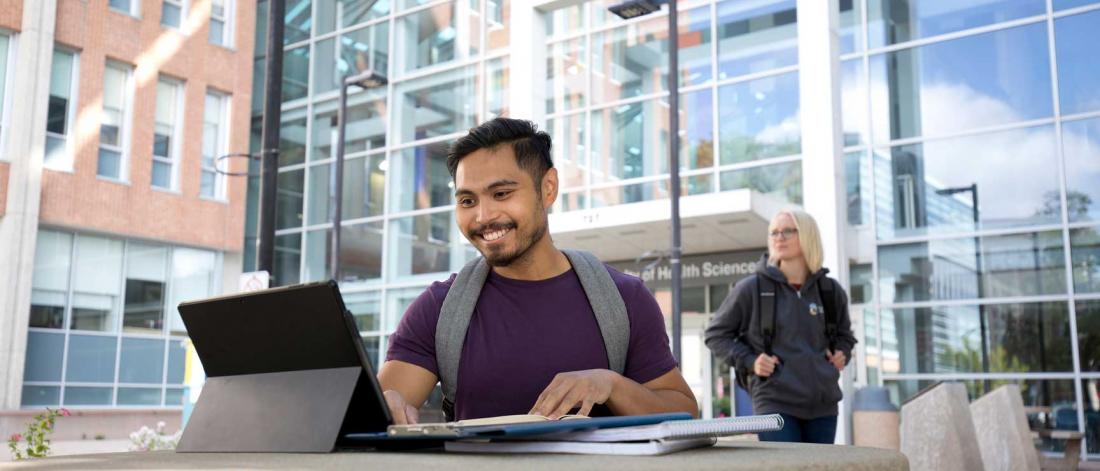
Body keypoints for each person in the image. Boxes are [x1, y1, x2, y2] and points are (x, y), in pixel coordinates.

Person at [378, 117, 698, 424]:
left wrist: (611, 386)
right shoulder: (439, 309)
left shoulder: (624, 299)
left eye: (501, 194)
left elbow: (684, 412)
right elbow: (379, 410)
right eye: (467, 201)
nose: (483, 216)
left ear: (548, 188)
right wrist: (385, 405)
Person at [704, 209, 856, 443]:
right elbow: (715, 334)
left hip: (823, 406)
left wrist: (842, 353)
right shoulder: (752, 288)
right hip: (775, 403)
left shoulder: (830, 291)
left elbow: (845, 336)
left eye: (787, 231)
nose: (779, 237)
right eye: (774, 232)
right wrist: (750, 361)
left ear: (807, 235)